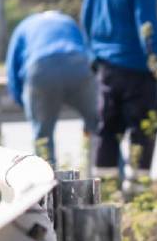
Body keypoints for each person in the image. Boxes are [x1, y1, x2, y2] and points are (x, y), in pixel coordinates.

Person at [80, 0, 157, 183]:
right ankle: (139, 189)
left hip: (106, 67)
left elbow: (86, 18)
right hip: (137, 67)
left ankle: (106, 189)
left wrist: (93, 55)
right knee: (143, 129)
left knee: (107, 128)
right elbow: (147, 27)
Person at [6, 11, 99, 165]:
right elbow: (88, 49)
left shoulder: (24, 26)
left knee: (43, 135)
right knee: (97, 125)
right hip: (78, 65)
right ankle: (106, 177)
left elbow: (12, 69)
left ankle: (48, 183)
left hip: (41, 68)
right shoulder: (68, 21)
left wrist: (22, 101)